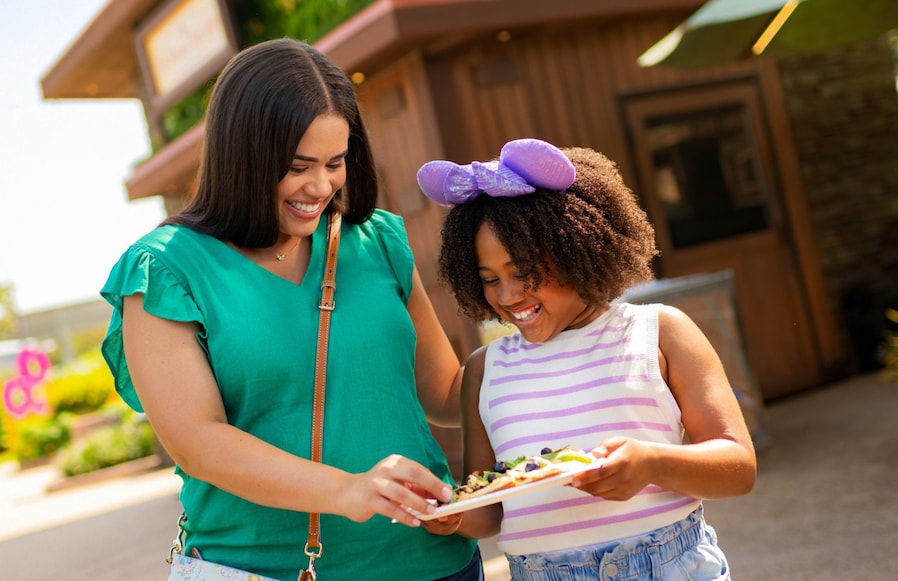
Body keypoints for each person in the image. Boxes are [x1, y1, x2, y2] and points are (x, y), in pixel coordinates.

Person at [99, 38, 480, 580]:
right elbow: (199, 442)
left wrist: (559, 342)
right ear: (242, 154)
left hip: (433, 562)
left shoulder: (378, 241)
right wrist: (347, 489)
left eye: (335, 162)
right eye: (298, 165)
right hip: (272, 570)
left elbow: (446, 395)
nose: (320, 186)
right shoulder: (164, 270)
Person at [416, 139, 756, 580]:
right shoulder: (486, 370)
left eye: (523, 272)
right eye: (489, 280)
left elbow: (738, 468)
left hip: (668, 566)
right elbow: (492, 508)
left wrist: (654, 463)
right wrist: (453, 516)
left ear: (576, 248)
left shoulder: (659, 331)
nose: (508, 295)